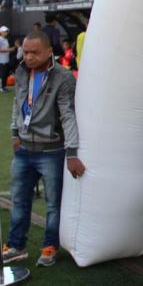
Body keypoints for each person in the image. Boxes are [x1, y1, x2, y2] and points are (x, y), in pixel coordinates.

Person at [2, 31, 85, 267]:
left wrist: (71, 152)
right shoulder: (20, 71)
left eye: (34, 53)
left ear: (49, 52)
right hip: (24, 149)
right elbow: (18, 104)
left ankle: (50, 246)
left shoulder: (63, 77)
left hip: (52, 151)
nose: (28, 57)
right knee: (19, 200)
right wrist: (15, 133)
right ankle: (16, 246)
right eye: (25, 52)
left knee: (53, 203)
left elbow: (69, 115)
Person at [0, 25, 14, 91]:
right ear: (1, 32)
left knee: (5, 73)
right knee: (3, 74)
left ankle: (4, 86)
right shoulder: (0, 39)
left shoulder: (5, 39)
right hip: (1, 60)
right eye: (5, 31)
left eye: (7, 31)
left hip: (6, 59)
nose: (7, 32)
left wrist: (10, 49)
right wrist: (9, 50)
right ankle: (2, 87)